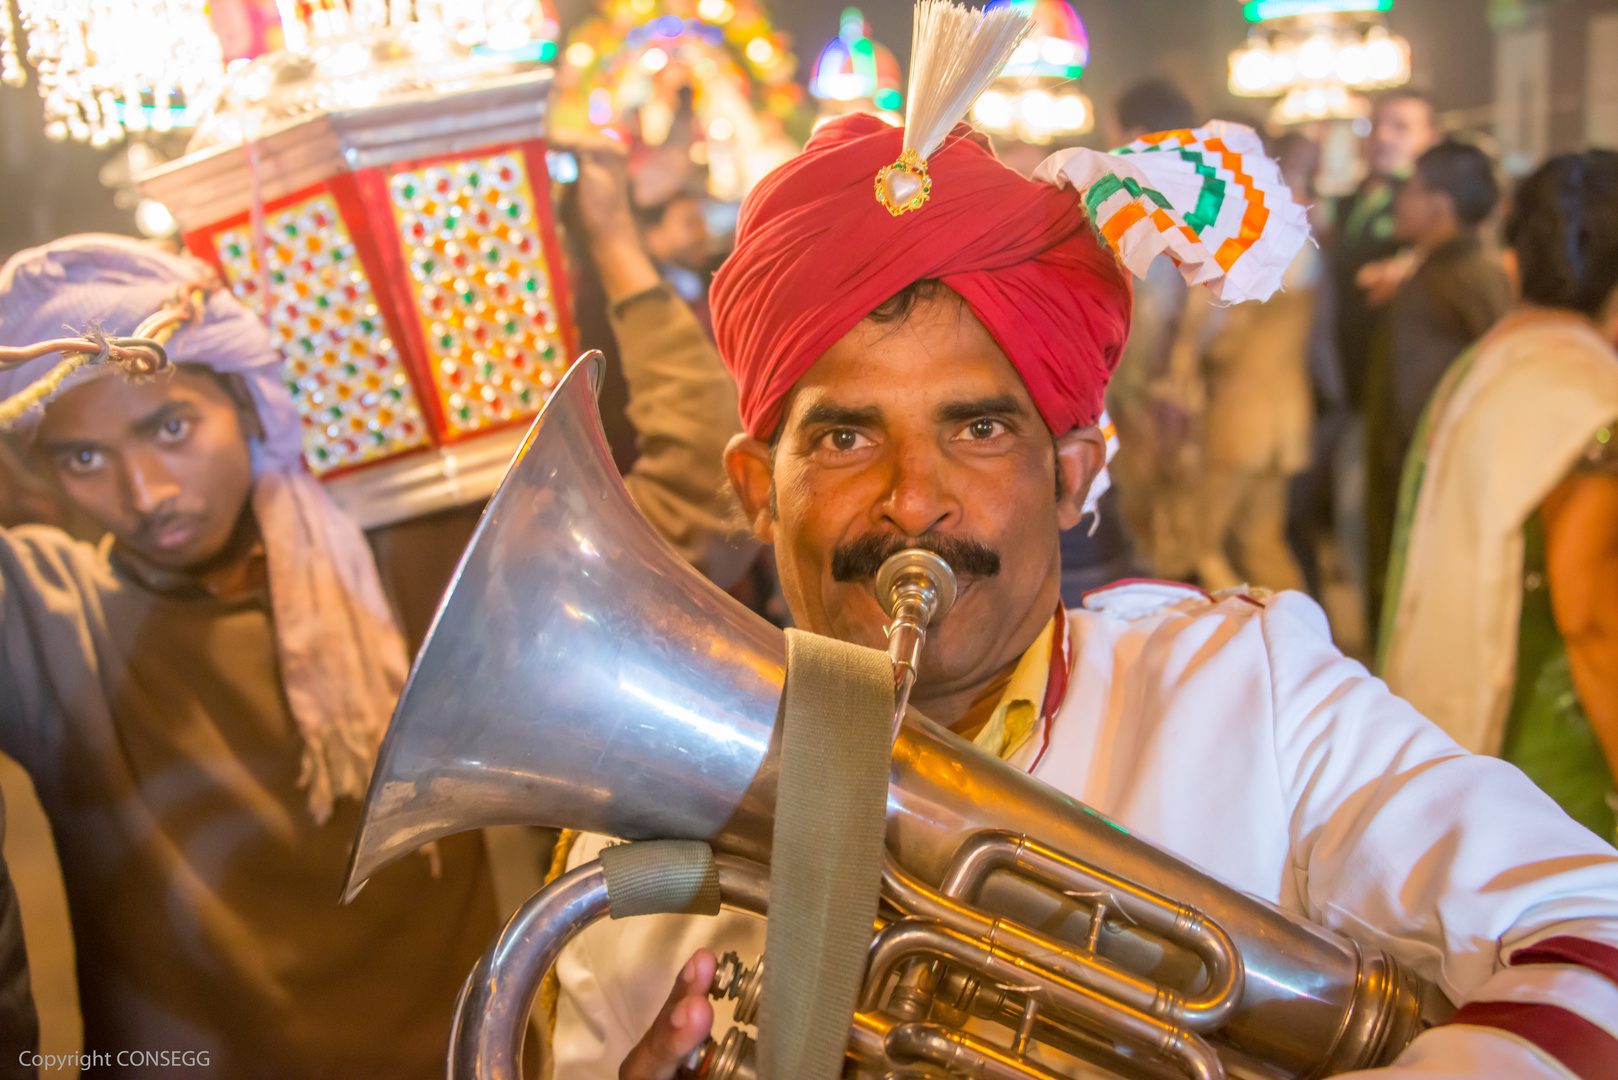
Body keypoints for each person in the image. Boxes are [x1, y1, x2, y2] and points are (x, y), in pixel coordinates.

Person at [547, 114, 1618, 1080]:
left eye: (977, 429)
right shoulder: (622, 856)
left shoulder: (1248, 690)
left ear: (1068, 474)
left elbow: (1590, 925)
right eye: (842, 436)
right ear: (754, 493)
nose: (913, 502)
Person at [0, 236, 497, 1077]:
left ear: (250, 404)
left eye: (171, 426)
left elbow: (673, 521)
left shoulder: (401, 562)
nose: (146, 493)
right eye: (84, 458)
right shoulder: (50, 619)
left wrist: (622, 266)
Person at [1379, 150, 1618, 845]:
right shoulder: (1586, 400)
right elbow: (1595, 621)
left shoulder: (1493, 361)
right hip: (1554, 761)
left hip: (1454, 738)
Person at [1362, 140, 1511, 634]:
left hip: (1428, 474)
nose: (1399, 201)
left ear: (1440, 206)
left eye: (1412, 190)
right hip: (1416, 468)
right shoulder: (1444, 269)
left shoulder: (1461, 277)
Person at [1188, 133, 1320, 595]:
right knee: (1263, 545)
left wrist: (1186, 352)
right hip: (1283, 421)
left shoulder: (1253, 250)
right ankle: (1301, 641)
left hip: (1239, 419)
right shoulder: (1300, 243)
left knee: (1202, 546)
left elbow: (1223, 339)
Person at [1101, 79, 1198, 581]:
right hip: (1189, 390)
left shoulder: (1139, 207)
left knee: (1154, 522)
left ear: (1137, 134)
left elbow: (1149, 315)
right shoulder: (1203, 199)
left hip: (1149, 391)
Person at [1330, 89, 1440, 410]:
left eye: (1400, 127)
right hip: (1341, 373)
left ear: (1430, 138)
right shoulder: (1345, 202)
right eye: (1375, 124)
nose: (1383, 136)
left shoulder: (1427, 214)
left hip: (1395, 381)